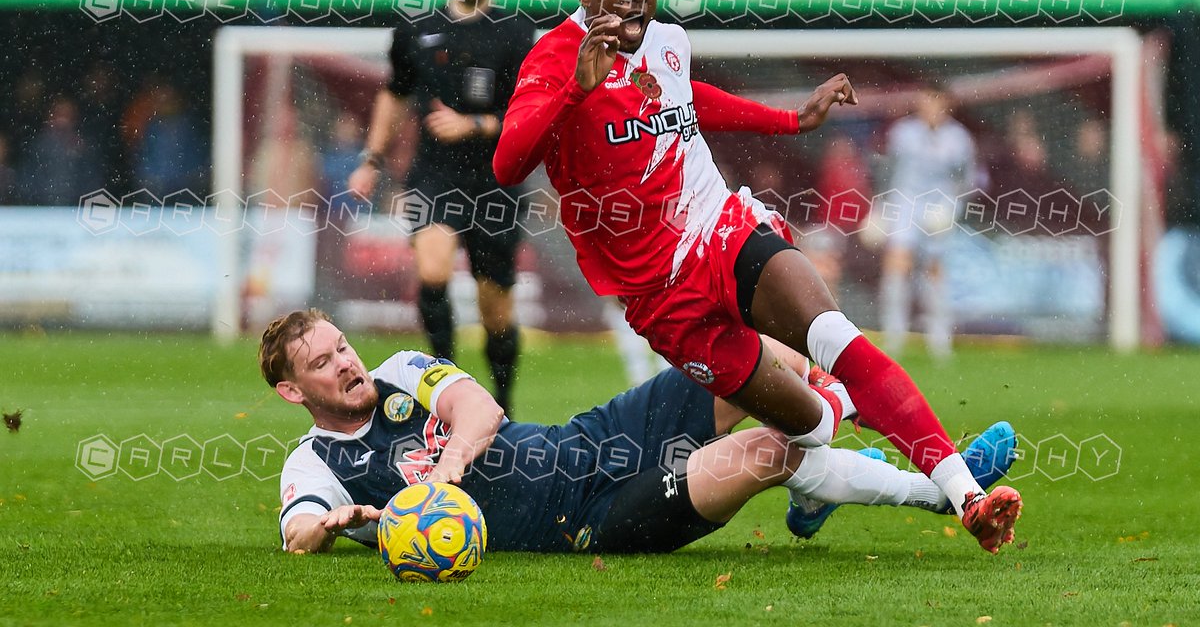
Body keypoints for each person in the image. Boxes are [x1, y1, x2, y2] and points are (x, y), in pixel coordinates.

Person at [492, 0, 1022, 553]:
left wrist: (791, 118)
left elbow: (688, 100)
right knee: (813, 426)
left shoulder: (666, 42)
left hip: (721, 229)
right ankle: (837, 474)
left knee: (836, 337)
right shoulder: (553, 59)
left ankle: (966, 497)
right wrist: (574, 92)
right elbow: (507, 163)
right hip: (660, 296)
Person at [260, 309, 1016, 554]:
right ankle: (944, 490)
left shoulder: (397, 367)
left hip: (590, 440)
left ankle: (877, 474)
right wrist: (343, 523)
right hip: (592, 519)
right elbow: (297, 529)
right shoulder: (315, 461)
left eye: (341, 346)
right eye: (323, 364)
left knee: (749, 354)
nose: (346, 363)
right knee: (771, 448)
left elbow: (479, 411)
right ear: (294, 390)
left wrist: (448, 467)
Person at [347, 0, 536, 412]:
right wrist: (371, 160)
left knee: (495, 308)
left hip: (498, 180)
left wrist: (474, 124)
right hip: (435, 177)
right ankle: (447, 390)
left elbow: (533, 113)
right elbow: (394, 95)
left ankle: (503, 404)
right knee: (431, 269)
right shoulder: (417, 31)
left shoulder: (517, 33)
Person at [878, 87, 977, 361]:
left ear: (946, 103)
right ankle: (893, 336)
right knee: (897, 265)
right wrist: (880, 207)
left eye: (935, 100)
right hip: (905, 202)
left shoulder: (959, 138)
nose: (930, 105)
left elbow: (967, 180)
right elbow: (887, 171)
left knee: (935, 270)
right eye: (925, 99)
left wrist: (952, 210)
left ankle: (939, 341)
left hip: (939, 207)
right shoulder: (903, 133)